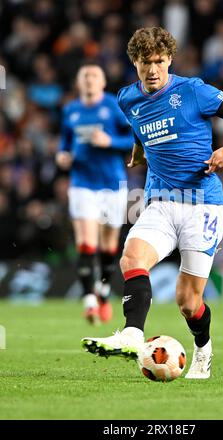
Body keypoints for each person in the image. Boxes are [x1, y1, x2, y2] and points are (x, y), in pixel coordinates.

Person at [82, 27, 223, 378]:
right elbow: (139, 125)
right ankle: (132, 335)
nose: (152, 69)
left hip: (204, 205)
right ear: (133, 62)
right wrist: (139, 149)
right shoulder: (126, 98)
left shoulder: (195, 91)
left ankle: (203, 348)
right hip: (161, 201)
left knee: (188, 303)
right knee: (132, 256)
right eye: (144, 62)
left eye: (159, 62)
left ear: (169, 60)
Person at [56, 63, 133, 324]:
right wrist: (62, 155)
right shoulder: (71, 110)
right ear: (79, 83)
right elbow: (65, 141)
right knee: (86, 241)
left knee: (108, 245)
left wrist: (109, 141)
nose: (89, 79)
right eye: (85, 76)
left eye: (94, 76)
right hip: (82, 182)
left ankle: (103, 292)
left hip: (112, 182)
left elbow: (133, 140)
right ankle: (89, 300)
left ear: (102, 82)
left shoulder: (113, 107)